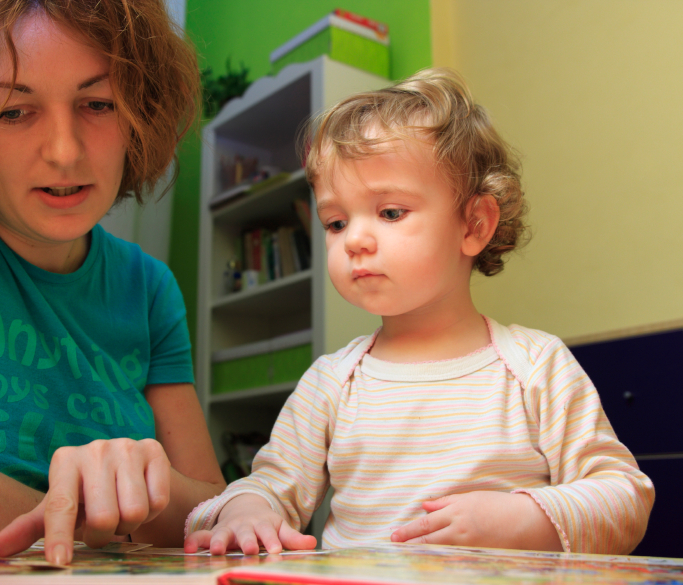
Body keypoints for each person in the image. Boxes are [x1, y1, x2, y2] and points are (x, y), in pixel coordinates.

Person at [184, 69, 655, 555]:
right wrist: (247, 511)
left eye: (390, 212)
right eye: (336, 222)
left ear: (473, 225)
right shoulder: (330, 383)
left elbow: (624, 496)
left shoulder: (536, 366)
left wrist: (524, 518)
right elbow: (268, 486)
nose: (354, 240)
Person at [0, 0, 225, 565]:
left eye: (98, 104)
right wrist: (88, 514)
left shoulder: (150, 287)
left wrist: (149, 484)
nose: (64, 151)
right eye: (13, 111)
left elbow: (215, 514)